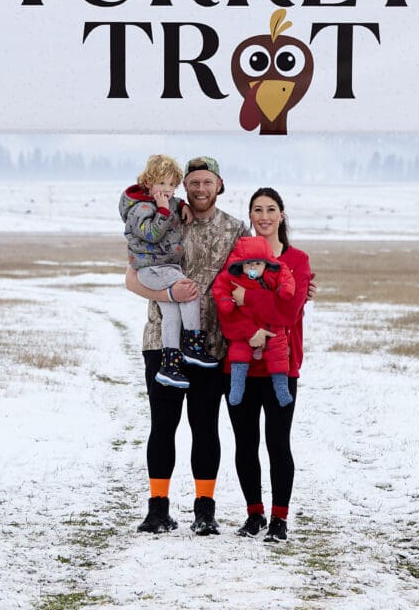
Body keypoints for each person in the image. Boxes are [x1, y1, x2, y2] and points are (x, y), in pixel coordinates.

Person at [125, 155, 246, 536]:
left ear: (219, 185)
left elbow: (258, 272)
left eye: (207, 182)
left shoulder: (235, 230)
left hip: (211, 346)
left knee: (205, 426)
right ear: (184, 186)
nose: (200, 189)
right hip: (161, 341)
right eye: (193, 182)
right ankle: (157, 509)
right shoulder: (161, 219)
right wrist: (167, 290)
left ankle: (204, 510)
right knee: (163, 425)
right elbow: (132, 279)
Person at [219, 187, 314, 542]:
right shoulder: (237, 259)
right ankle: (254, 514)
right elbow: (226, 308)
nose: (264, 216)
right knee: (245, 443)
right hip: (240, 367)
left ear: (282, 215)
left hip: (282, 366)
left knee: (278, 443)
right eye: (257, 210)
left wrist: (248, 297)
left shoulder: (298, 261)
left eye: (271, 209)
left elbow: (288, 312)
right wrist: (257, 315)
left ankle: (280, 518)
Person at [118, 154, 216, 387]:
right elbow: (151, 233)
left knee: (171, 314)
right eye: (162, 184)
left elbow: (173, 202)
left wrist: (181, 205)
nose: (167, 190)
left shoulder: (166, 200)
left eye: (172, 184)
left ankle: (170, 365)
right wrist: (163, 211)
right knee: (189, 291)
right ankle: (193, 346)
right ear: (148, 182)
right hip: (152, 267)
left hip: (162, 266)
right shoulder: (140, 208)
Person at [212, 234, 296, 407]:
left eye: (258, 263)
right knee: (239, 352)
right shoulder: (232, 277)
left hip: (271, 326)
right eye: (249, 263)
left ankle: (281, 387)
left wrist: (285, 289)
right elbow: (220, 288)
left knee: (278, 351)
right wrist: (226, 301)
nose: (253, 267)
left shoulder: (274, 272)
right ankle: (237, 387)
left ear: (266, 263)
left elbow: (287, 278)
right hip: (245, 326)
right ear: (240, 264)